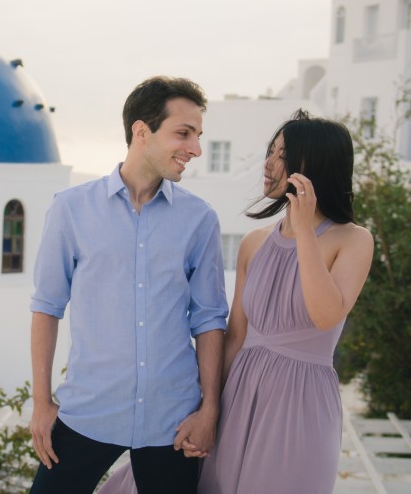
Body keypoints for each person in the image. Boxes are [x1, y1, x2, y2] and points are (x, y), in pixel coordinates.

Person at [98, 109, 374, 494]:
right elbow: (235, 335)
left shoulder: (353, 239)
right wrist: (207, 408)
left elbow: (326, 315)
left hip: (301, 403)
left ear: (316, 164)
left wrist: (306, 231)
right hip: (239, 393)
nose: (270, 163)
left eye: (283, 155)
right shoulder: (254, 243)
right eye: (271, 151)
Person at [28, 76, 228, 494]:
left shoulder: (200, 219)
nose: (195, 149)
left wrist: (209, 410)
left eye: (198, 136)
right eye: (183, 133)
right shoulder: (71, 209)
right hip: (87, 410)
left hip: (173, 422)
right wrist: (42, 402)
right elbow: (47, 306)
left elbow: (209, 319)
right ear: (141, 131)